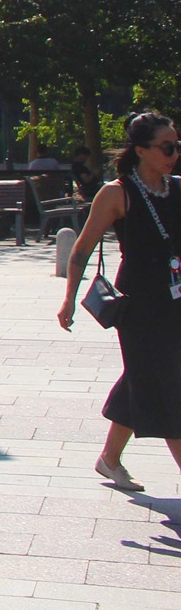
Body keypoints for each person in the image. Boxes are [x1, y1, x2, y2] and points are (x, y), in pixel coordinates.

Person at [58, 111, 181, 492]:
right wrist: (69, 300)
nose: (174, 154)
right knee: (169, 387)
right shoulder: (117, 193)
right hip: (140, 307)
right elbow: (81, 250)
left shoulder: (177, 188)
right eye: (167, 147)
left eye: (177, 146)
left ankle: (109, 460)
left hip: (176, 301)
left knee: (144, 377)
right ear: (141, 150)